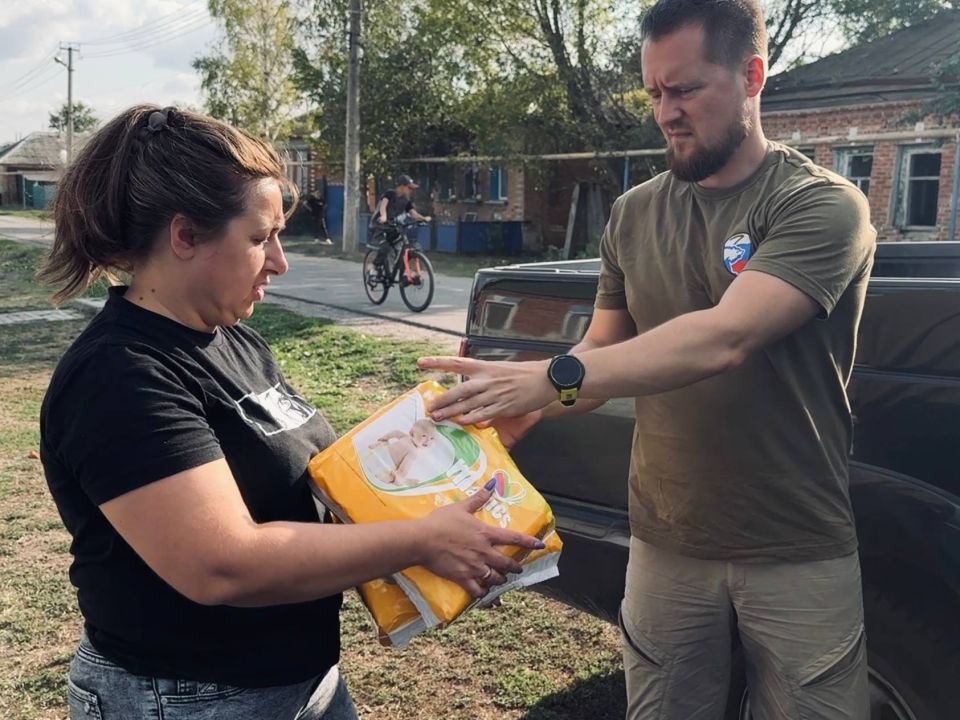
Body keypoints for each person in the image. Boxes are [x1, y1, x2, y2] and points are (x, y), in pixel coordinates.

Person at [418, 1, 877, 718]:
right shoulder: (634, 213)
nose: (666, 113)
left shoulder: (821, 205)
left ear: (752, 76)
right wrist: (522, 405)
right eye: (655, 93)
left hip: (796, 543)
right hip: (665, 540)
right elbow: (602, 351)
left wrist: (550, 377)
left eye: (686, 89)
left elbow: (725, 337)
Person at [37, 104, 544, 720]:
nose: (280, 261)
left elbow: (312, 492)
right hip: (186, 698)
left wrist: (464, 447)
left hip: (303, 682)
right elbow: (223, 566)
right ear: (185, 236)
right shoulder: (119, 375)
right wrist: (421, 538)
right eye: (260, 239)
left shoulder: (234, 339)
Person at [368, 174, 431, 271]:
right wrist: (384, 216)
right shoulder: (390, 194)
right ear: (401, 186)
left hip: (393, 227)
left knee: (403, 247)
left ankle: (402, 272)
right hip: (380, 226)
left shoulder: (405, 200)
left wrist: (423, 218)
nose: (411, 190)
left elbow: (413, 213)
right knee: (385, 246)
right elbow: (383, 206)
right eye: (409, 188)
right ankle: (374, 265)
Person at [369, 418, 437, 486]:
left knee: (384, 444)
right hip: (381, 471)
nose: (428, 441)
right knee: (393, 476)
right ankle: (404, 481)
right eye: (424, 436)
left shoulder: (405, 437)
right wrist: (400, 479)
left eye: (432, 438)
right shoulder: (413, 452)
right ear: (412, 433)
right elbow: (403, 469)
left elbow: (395, 432)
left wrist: (384, 438)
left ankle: (377, 444)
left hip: (372, 458)